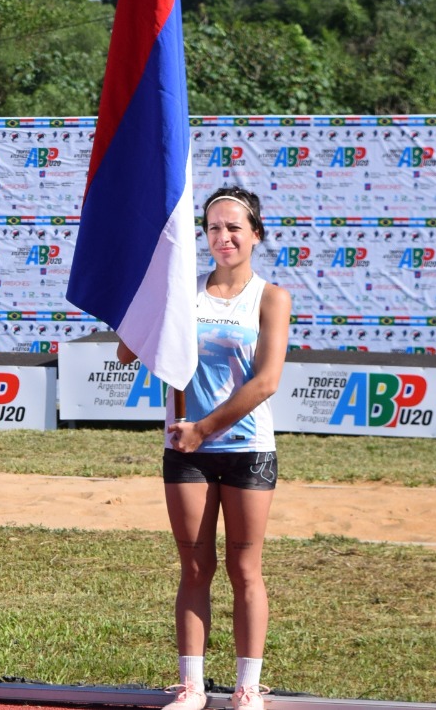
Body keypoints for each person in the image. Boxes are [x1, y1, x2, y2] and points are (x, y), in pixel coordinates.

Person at [118, 186, 289, 710]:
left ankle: (246, 688)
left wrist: (203, 429)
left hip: (246, 449)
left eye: (234, 227)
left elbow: (266, 383)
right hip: (186, 452)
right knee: (194, 569)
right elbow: (127, 351)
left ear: (255, 233)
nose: (223, 237)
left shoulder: (271, 296)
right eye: (213, 228)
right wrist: (148, 292)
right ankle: (191, 687)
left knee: (245, 569)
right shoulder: (182, 293)